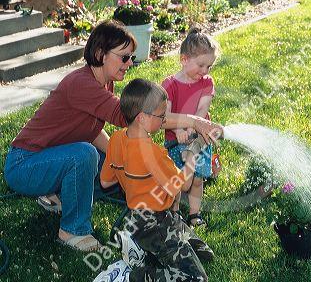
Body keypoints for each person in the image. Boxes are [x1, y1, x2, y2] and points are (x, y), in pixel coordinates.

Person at [3, 20, 222, 252]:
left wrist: (124, 158)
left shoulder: (104, 83)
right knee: (85, 155)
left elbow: (93, 130)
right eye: (124, 57)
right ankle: (72, 230)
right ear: (101, 54)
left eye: (131, 57)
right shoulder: (81, 84)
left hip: (51, 158)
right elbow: (137, 118)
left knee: (119, 169)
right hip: (25, 165)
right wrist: (195, 121)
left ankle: (57, 195)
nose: (129, 63)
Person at [99, 78, 213, 281]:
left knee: (204, 253)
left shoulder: (116, 139)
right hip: (158, 223)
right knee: (197, 279)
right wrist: (193, 153)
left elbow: (106, 182)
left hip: (138, 218)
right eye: (161, 116)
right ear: (142, 118)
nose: (164, 121)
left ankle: (141, 247)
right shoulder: (153, 154)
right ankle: (133, 276)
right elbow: (184, 185)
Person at [162, 26, 220, 227]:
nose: (204, 71)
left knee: (197, 179)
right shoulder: (169, 85)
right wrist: (178, 130)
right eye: (201, 65)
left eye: (209, 67)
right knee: (177, 181)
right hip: (174, 141)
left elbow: (202, 110)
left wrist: (190, 130)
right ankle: (174, 213)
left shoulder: (206, 83)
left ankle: (195, 214)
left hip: (199, 140)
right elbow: (165, 116)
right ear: (184, 59)